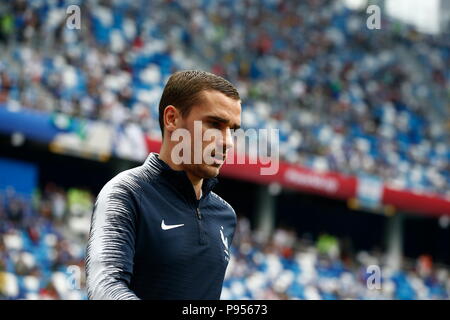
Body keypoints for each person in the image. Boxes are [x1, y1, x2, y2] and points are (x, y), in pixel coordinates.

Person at [85, 70, 242, 299]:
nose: (227, 142)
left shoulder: (225, 215)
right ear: (172, 119)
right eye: (215, 124)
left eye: (233, 130)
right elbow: (105, 287)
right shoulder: (127, 192)